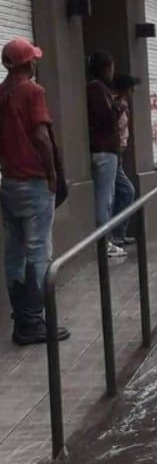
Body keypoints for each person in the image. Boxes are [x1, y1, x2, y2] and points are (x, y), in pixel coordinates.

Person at [0, 38, 70, 345]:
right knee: (39, 249)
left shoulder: (1, 95)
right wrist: (52, 174)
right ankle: (32, 321)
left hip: (10, 184)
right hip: (34, 182)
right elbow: (42, 136)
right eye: (34, 59)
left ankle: (21, 317)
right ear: (28, 64)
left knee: (15, 250)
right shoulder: (33, 91)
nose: (36, 63)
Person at [86, 52, 125, 257]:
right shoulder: (97, 88)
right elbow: (105, 117)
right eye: (111, 68)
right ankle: (104, 241)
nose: (113, 72)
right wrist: (118, 107)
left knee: (107, 194)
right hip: (104, 150)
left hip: (102, 150)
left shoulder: (97, 88)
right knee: (105, 197)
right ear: (104, 69)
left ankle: (105, 239)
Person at [111, 73, 139, 247]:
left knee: (121, 193)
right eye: (131, 88)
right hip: (112, 154)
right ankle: (116, 234)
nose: (134, 91)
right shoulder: (116, 105)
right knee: (127, 191)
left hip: (117, 154)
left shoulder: (123, 105)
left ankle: (119, 233)